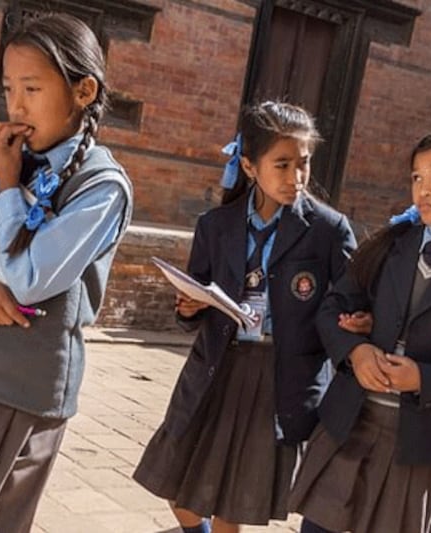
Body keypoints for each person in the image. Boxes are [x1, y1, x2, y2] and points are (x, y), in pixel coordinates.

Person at [0, 13, 133, 532]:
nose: (15, 105)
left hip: (25, 387)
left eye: (33, 88)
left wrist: (5, 184)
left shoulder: (102, 186)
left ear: (83, 90)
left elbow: (28, 279)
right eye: (8, 88)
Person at [288, 123, 431, 533]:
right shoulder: (388, 245)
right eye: (417, 176)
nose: (423, 189)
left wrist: (423, 377)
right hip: (350, 421)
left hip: (419, 442)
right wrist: (355, 350)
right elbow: (332, 308)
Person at [132, 102, 356, 533]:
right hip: (216, 370)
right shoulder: (215, 226)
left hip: (278, 377)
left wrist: (352, 327)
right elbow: (192, 301)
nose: (296, 178)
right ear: (250, 166)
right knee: (176, 486)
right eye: (282, 165)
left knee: (231, 498)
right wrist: (189, 307)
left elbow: (345, 303)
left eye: (304, 164)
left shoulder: (329, 229)